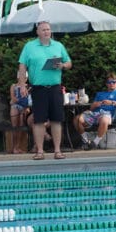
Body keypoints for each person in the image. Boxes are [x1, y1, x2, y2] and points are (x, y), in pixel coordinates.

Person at [17, 21, 72, 160]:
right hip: (38, 88)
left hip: (55, 88)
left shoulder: (58, 45)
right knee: (39, 120)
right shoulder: (29, 47)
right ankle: (40, 151)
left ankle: (57, 151)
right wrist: (22, 85)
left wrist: (63, 66)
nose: (46, 32)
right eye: (43, 30)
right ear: (37, 32)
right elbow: (22, 67)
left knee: (56, 120)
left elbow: (69, 63)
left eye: (48, 29)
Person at [74, 73, 116, 150]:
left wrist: (112, 102)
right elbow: (91, 108)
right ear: (106, 84)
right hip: (94, 115)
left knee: (104, 120)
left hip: (107, 114)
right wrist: (95, 104)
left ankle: (95, 143)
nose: (111, 84)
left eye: (114, 82)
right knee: (77, 119)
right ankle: (86, 141)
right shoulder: (100, 94)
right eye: (109, 82)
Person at [9, 69, 31, 154]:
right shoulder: (13, 86)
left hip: (24, 107)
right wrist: (18, 100)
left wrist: (26, 106)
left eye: (26, 77)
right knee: (15, 127)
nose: (24, 79)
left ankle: (18, 146)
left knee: (21, 127)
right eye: (23, 77)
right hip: (16, 106)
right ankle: (14, 147)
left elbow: (29, 100)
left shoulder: (28, 87)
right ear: (18, 77)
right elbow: (13, 99)